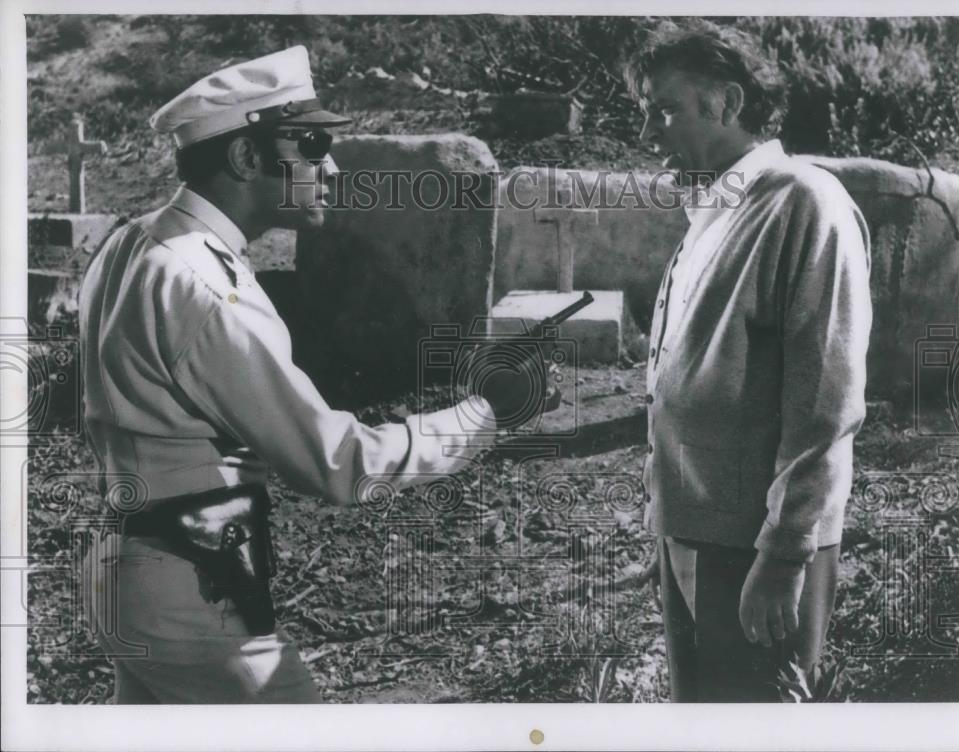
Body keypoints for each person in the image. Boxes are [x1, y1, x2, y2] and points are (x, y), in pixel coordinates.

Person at [78, 46, 546, 703]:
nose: (330, 167)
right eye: (311, 145)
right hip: (193, 584)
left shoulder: (132, 242)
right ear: (245, 158)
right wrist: (480, 418)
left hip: (130, 564)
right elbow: (337, 462)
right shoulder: (205, 285)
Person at [624, 21, 873, 701]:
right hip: (699, 541)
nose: (649, 133)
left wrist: (784, 552)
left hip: (755, 550)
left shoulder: (803, 203)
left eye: (665, 109)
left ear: (728, 103)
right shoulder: (718, 208)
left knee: (756, 722)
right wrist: (669, 535)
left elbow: (826, 403)